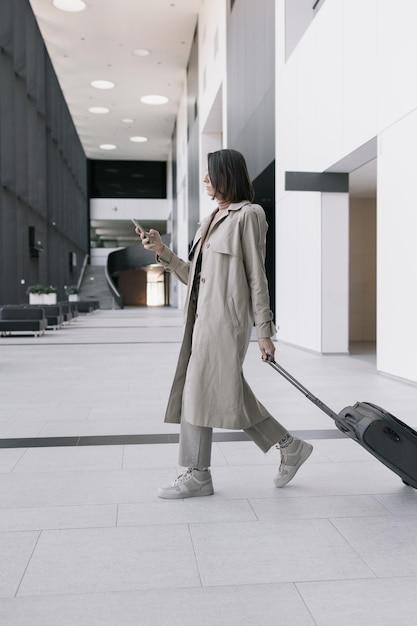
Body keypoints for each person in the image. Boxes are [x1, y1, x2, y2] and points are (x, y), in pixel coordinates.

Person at [135, 148, 313, 499]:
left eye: (209, 173)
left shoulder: (249, 215)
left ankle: (197, 473)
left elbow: (257, 277)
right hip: (200, 320)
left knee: (196, 391)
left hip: (226, 322)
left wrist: (265, 330)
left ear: (225, 175)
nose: (204, 180)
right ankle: (289, 446)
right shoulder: (209, 221)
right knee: (227, 393)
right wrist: (163, 252)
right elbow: (195, 275)